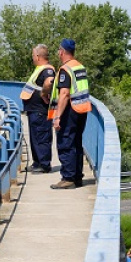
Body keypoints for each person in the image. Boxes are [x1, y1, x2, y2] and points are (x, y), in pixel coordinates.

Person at [50, 38, 91, 190]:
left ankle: (68, 178)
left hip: (70, 110)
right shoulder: (80, 66)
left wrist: (57, 116)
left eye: (58, 50)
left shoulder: (65, 70)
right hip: (83, 109)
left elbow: (65, 94)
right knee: (76, 143)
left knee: (65, 142)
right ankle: (77, 176)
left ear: (62, 51)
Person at [19, 44, 56, 174]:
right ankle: (37, 162)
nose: (32, 58)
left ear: (38, 56)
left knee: (42, 137)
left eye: (33, 56)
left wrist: (43, 94)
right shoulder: (39, 69)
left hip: (40, 110)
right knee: (35, 137)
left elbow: (49, 81)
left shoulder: (47, 69)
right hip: (34, 110)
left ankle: (45, 164)